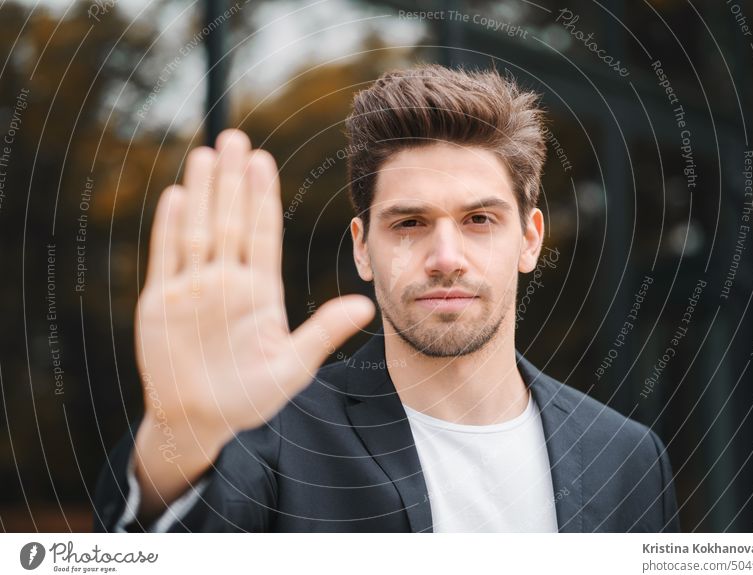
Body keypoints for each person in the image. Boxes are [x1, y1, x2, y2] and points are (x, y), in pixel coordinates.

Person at [93, 64, 680, 533]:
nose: (446, 255)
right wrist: (179, 442)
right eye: (408, 223)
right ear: (363, 248)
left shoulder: (627, 457)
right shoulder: (271, 433)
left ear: (529, 241)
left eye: (479, 218)